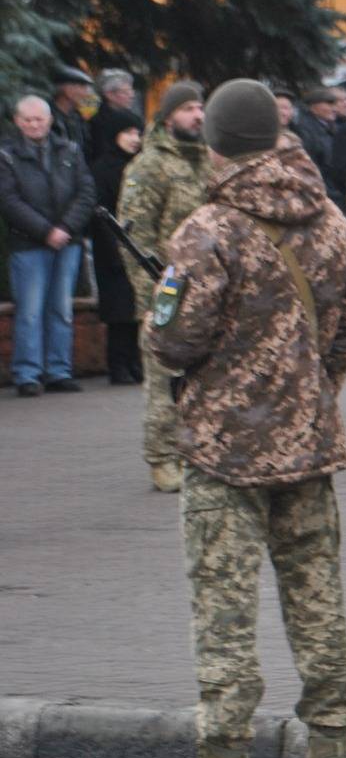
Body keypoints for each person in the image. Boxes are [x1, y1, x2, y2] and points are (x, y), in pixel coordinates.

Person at [140, 80, 346, 758]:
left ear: (215, 143)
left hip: (224, 449)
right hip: (309, 443)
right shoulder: (329, 217)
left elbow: (174, 343)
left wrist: (158, 323)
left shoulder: (208, 228)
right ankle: (330, 754)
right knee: (317, 596)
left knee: (225, 606)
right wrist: (312, 394)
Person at [117, 82, 210, 490]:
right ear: (168, 116)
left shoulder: (208, 159)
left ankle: (199, 453)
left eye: (200, 107)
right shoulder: (149, 165)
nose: (198, 115)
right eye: (188, 108)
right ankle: (162, 457)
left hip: (210, 288)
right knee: (163, 379)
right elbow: (133, 238)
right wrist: (150, 297)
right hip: (168, 287)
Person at [0, 95, 94, 396]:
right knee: (29, 312)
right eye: (27, 120)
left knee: (61, 310)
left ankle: (59, 371)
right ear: (17, 122)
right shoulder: (6, 155)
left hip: (67, 242)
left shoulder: (70, 150)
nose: (34, 125)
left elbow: (86, 192)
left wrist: (65, 228)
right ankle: (27, 374)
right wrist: (46, 231)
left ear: (50, 120)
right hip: (27, 244)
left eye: (39, 119)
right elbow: (9, 201)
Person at [88, 105, 146, 387]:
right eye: (128, 133)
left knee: (137, 310)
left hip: (139, 247)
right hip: (112, 247)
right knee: (119, 312)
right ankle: (118, 365)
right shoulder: (102, 168)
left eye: (137, 132)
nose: (135, 139)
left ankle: (135, 362)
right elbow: (100, 212)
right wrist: (115, 249)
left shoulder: (140, 166)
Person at [290, 88, 340, 201]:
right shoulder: (305, 131)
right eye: (329, 104)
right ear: (313, 106)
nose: (334, 109)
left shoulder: (329, 126)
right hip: (322, 192)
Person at [88, 69, 139, 163]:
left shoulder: (134, 119)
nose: (131, 95)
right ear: (109, 95)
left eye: (131, 90)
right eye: (125, 92)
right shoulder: (98, 123)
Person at [50, 65, 93, 151]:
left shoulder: (78, 117)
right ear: (67, 90)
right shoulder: (46, 116)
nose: (87, 94)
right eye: (83, 88)